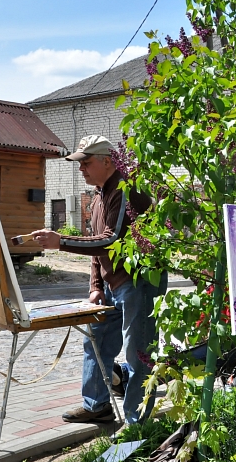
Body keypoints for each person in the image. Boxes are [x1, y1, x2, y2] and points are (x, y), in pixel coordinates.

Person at [31, 135, 167, 425]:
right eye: (79, 163)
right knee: (95, 342)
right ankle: (96, 406)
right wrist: (95, 287)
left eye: (86, 162)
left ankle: (136, 424)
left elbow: (111, 241)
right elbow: (96, 248)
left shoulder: (126, 190)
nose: (81, 169)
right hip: (112, 286)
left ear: (108, 161)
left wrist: (61, 242)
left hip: (138, 283)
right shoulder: (98, 196)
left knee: (138, 353)